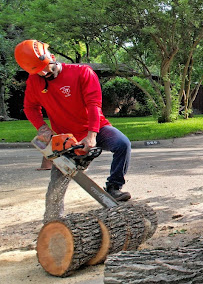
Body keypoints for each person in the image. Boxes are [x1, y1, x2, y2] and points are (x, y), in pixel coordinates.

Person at [14, 40, 132, 221]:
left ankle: (114, 188)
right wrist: (42, 128)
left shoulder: (82, 73)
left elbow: (94, 105)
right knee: (56, 186)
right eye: (38, 71)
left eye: (46, 68)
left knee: (122, 144)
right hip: (66, 138)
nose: (44, 73)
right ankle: (51, 223)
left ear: (51, 57)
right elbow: (30, 108)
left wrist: (91, 135)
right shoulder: (35, 81)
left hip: (96, 127)